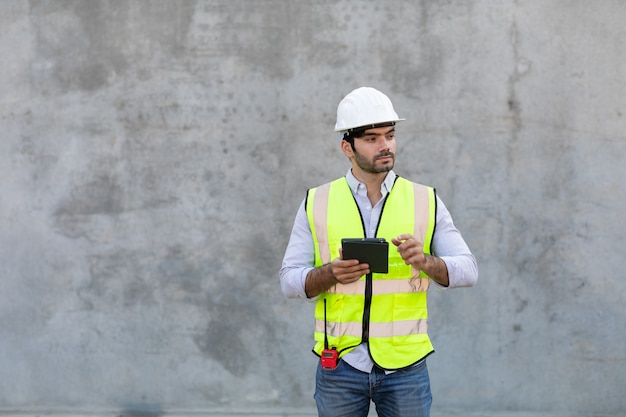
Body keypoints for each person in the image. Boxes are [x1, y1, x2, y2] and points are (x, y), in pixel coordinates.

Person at [280, 87, 478, 417]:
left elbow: (468, 271)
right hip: (339, 365)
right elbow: (288, 281)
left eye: (389, 135)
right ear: (348, 147)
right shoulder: (317, 202)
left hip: (405, 368)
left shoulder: (424, 200)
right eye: (372, 138)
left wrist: (425, 261)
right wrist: (330, 273)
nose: (385, 145)